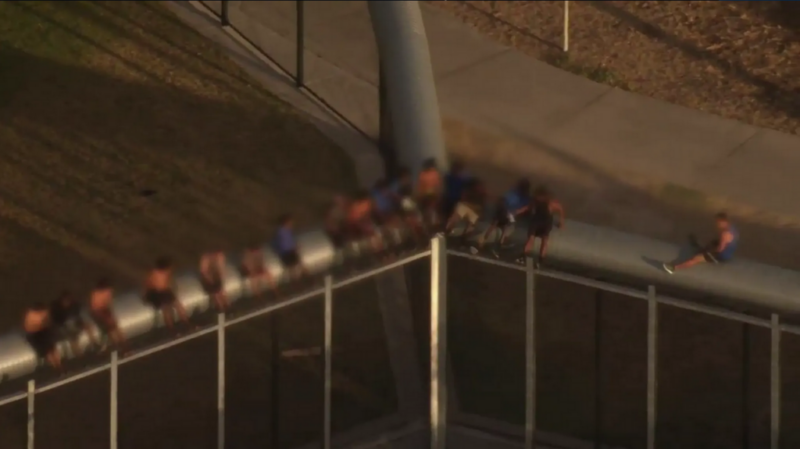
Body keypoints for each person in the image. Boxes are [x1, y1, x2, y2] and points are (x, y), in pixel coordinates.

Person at [663, 212, 739, 274]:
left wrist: (708, 252)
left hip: (721, 256)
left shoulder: (725, 234)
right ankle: (701, 250)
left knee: (695, 259)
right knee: (712, 242)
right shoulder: (731, 227)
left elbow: (719, 249)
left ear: (723, 221)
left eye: (718, 222)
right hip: (727, 252)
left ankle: (674, 268)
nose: (716, 224)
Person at [475, 178, 532, 257]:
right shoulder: (525, 197)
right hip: (510, 213)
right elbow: (525, 208)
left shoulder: (513, 192)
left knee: (493, 226)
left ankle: (482, 243)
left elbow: (503, 200)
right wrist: (517, 212)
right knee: (505, 230)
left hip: (504, 210)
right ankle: (497, 247)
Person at [518, 185, 565, 268]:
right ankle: (524, 256)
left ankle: (540, 260)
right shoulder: (535, 201)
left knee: (544, 240)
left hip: (545, 223)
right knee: (531, 239)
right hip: (536, 221)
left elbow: (560, 208)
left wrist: (561, 221)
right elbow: (528, 207)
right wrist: (517, 212)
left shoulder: (550, 203)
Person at [145, 256, 192, 333]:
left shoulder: (153, 273)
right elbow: (167, 283)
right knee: (170, 308)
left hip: (160, 292)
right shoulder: (164, 272)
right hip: (162, 292)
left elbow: (148, 285)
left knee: (171, 308)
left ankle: (174, 329)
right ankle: (184, 325)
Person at [50, 290, 100, 357]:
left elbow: (78, 316)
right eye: (65, 301)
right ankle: (78, 354)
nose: (67, 303)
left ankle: (94, 343)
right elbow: (57, 323)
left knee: (87, 326)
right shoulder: (57, 310)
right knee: (72, 337)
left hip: (75, 323)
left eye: (69, 301)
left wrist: (80, 323)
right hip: (64, 327)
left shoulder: (74, 305)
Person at [445, 178, 487, 245]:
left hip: (473, 210)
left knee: (472, 225)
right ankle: (445, 233)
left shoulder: (482, 195)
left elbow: (480, 208)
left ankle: (463, 240)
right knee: (455, 218)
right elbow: (462, 201)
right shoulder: (468, 190)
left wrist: (477, 212)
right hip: (466, 206)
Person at [89, 278, 126, 354]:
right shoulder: (108, 291)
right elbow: (107, 304)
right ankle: (123, 347)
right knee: (114, 329)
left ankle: (117, 346)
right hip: (102, 311)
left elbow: (93, 306)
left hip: (96, 313)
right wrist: (110, 315)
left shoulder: (95, 292)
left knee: (109, 331)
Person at [24, 302, 61, 371]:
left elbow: (47, 323)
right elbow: (32, 328)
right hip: (38, 336)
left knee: (51, 350)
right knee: (49, 351)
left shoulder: (38, 314)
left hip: (43, 334)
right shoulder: (33, 315)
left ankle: (58, 366)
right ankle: (57, 367)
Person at [273, 214, 305, 279]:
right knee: (292, 268)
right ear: (286, 223)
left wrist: (295, 246)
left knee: (299, 265)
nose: (292, 224)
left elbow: (291, 240)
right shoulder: (281, 232)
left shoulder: (288, 231)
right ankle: (297, 281)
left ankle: (304, 278)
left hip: (290, 251)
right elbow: (283, 244)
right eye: (290, 222)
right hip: (286, 253)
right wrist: (294, 247)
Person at [416, 158, 443, 228]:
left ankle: (434, 225)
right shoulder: (424, 174)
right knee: (429, 213)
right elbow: (420, 187)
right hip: (427, 197)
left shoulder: (434, 173)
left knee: (433, 213)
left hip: (433, 197)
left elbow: (438, 186)